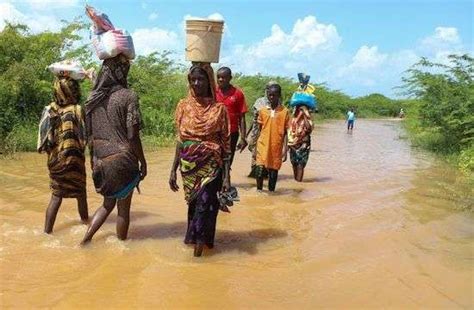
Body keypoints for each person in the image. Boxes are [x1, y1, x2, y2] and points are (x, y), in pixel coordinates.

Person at [80, 54, 147, 245]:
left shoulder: (93, 98)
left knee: (106, 205)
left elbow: (89, 134)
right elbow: (133, 135)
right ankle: (122, 248)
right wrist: (143, 161)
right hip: (123, 161)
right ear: (122, 72)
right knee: (123, 210)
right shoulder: (128, 96)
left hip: (100, 161)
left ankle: (85, 241)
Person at [169, 62, 231, 257]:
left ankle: (198, 253)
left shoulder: (219, 109)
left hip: (212, 164)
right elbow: (180, 140)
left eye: (201, 79)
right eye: (193, 79)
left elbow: (226, 145)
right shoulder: (183, 106)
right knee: (194, 204)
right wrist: (172, 169)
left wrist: (227, 177)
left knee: (206, 203)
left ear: (208, 81)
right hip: (188, 166)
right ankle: (194, 239)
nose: (196, 83)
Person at [37, 77, 88, 233]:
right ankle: (86, 225)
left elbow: (45, 139)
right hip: (74, 160)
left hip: (55, 161)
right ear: (73, 92)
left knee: (56, 196)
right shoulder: (77, 109)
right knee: (81, 194)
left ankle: (46, 232)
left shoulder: (50, 109)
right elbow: (84, 135)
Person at [255, 84, 290, 192]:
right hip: (262, 145)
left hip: (276, 147)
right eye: (269, 95)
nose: (271, 97)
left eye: (274, 95)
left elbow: (286, 132)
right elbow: (260, 130)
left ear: (279, 95)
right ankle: (259, 192)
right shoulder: (262, 111)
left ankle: (271, 194)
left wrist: (285, 149)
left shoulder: (285, 112)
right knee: (259, 171)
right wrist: (255, 145)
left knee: (273, 172)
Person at [216, 67, 248, 167]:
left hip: (232, 133)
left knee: (228, 157)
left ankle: (226, 178)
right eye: (219, 77)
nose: (221, 80)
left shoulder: (238, 94)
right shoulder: (213, 92)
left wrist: (243, 138)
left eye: (224, 77)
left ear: (230, 78)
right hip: (215, 132)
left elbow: (242, 117)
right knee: (215, 157)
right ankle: (218, 181)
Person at [246, 81, 277, 178]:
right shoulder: (260, 102)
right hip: (258, 132)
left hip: (271, 133)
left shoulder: (278, 103)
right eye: (268, 88)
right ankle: (255, 175)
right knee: (256, 153)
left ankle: (263, 174)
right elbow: (255, 120)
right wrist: (247, 133)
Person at [288, 105, 313, 182]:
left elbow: (308, 129)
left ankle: (298, 185)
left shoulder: (308, 120)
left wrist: (304, 115)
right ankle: (296, 185)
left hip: (303, 146)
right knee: (294, 164)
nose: (300, 111)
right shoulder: (293, 120)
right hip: (293, 146)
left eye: (302, 110)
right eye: (298, 109)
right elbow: (289, 132)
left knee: (300, 165)